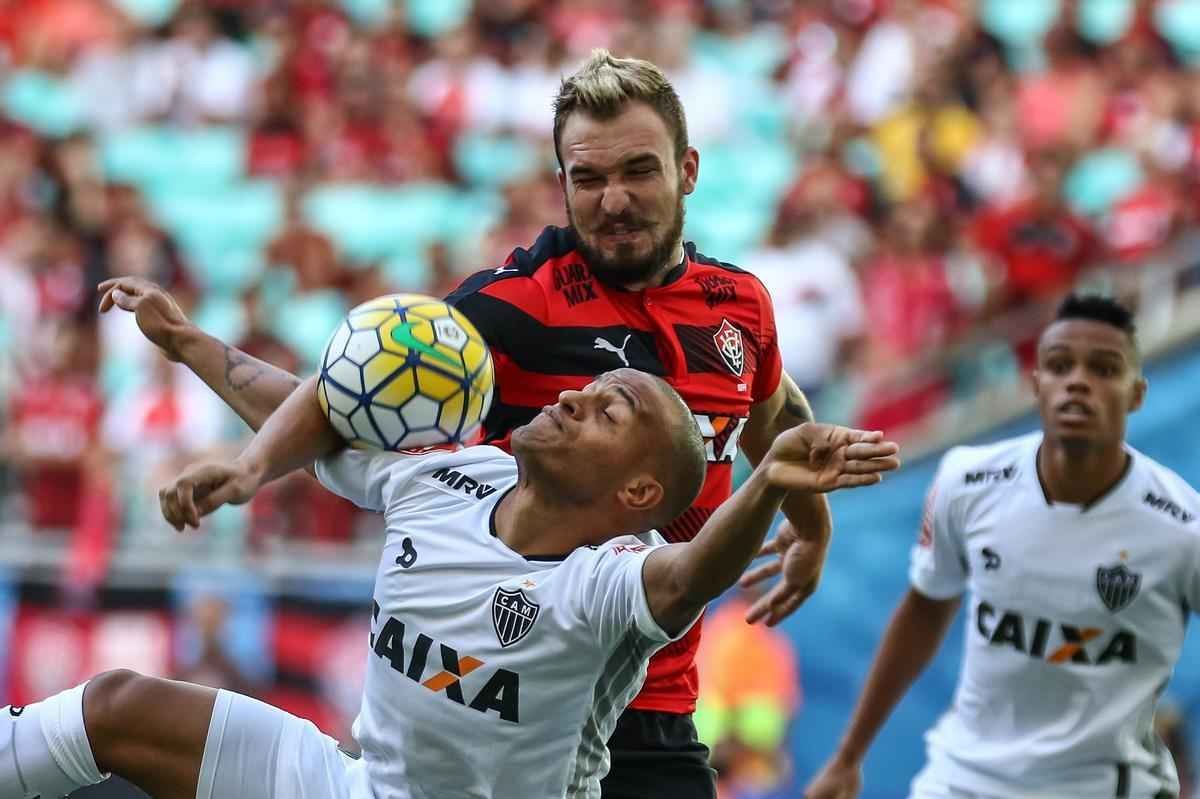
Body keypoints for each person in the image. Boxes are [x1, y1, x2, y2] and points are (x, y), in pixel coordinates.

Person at [96, 49, 832, 797]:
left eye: (638, 171)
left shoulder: (740, 306)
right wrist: (252, 462)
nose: (613, 199)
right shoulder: (519, 302)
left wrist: (812, 527)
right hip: (520, 714)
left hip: (656, 712)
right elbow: (354, 393)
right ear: (563, 184)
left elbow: (774, 416)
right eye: (589, 178)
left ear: (689, 169)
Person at [0, 368, 901, 799]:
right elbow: (334, 414)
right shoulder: (450, 475)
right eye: (589, 388)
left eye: (608, 410)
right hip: (354, 790)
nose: (578, 398)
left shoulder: (606, 585)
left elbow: (692, 573)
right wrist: (193, 346)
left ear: (636, 492)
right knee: (113, 705)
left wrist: (768, 481)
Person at [801, 295, 1200, 799]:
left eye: (1103, 368)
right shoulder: (968, 480)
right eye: (1060, 366)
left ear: (1136, 394)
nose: (1078, 381)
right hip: (968, 781)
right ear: (1036, 385)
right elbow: (924, 609)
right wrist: (848, 756)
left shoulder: (1182, 526)